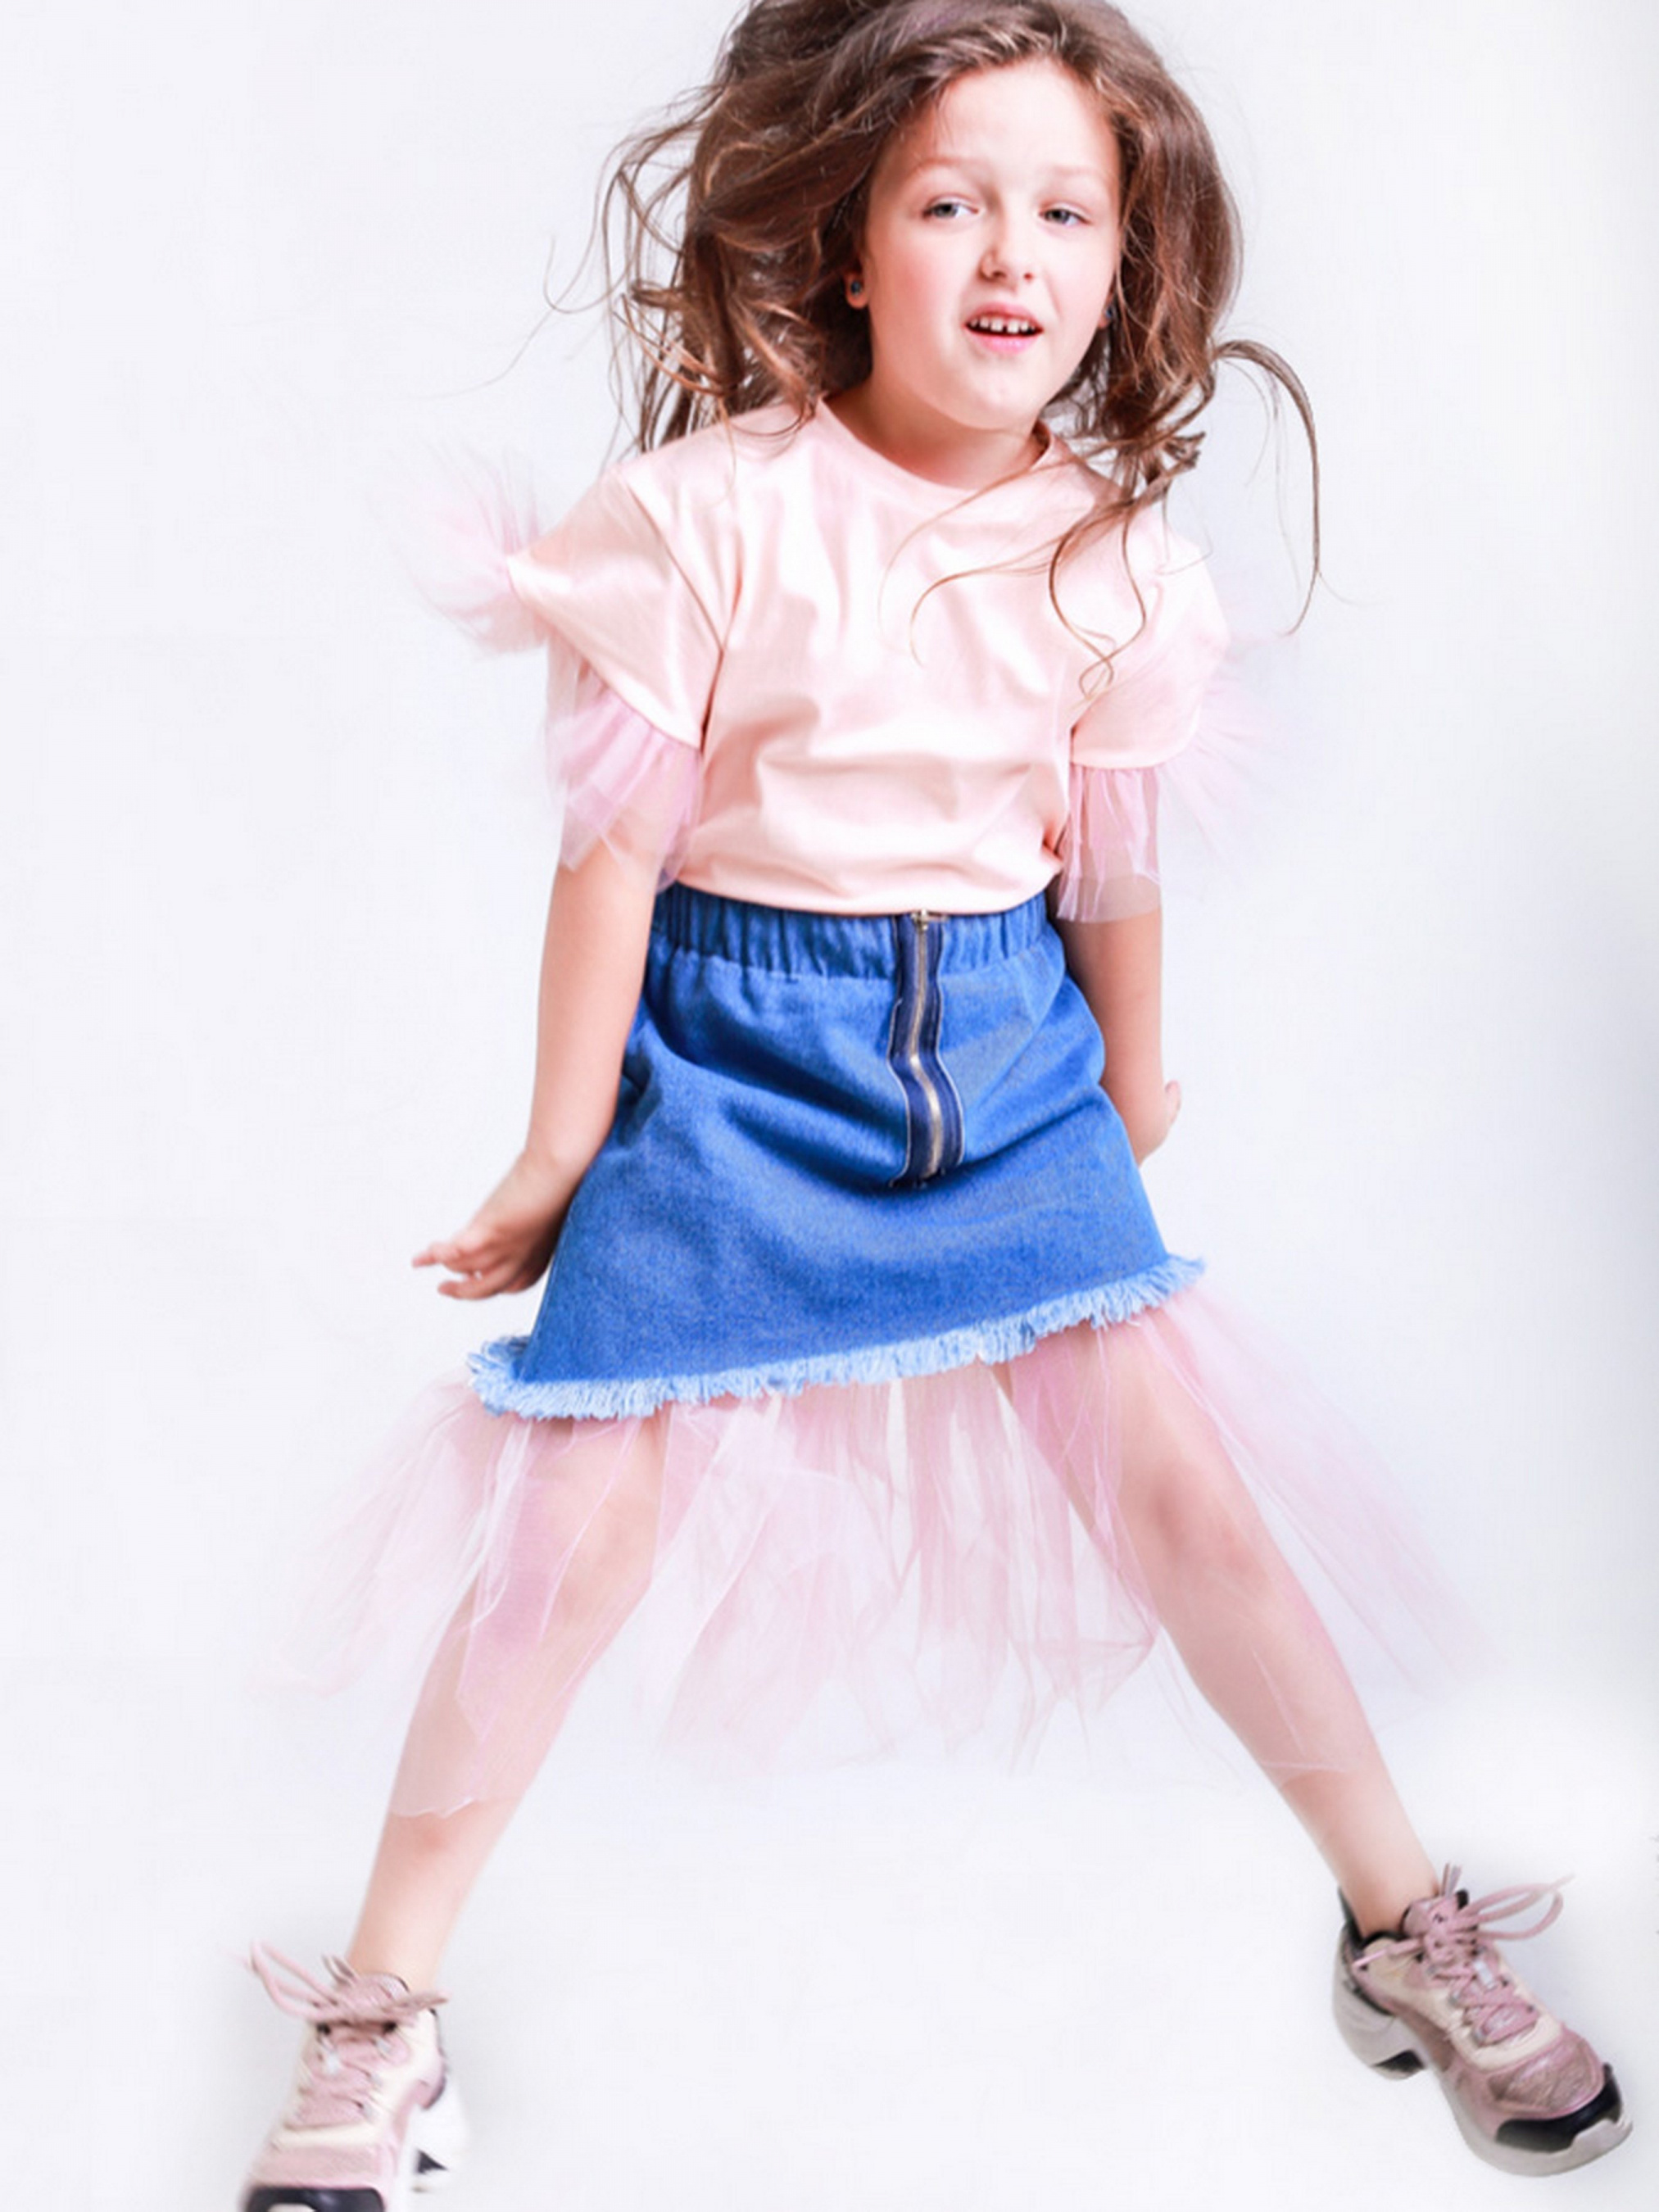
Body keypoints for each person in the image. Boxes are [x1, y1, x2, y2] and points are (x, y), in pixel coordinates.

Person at [239, 2, 1631, 2205]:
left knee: (1189, 1498)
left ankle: (1400, 1923)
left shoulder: (1114, 557)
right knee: (565, 1543)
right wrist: (561, 1141)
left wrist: (1133, 1074)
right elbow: (612, 855)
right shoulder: (707, 516)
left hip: (1004, 1065)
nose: (1012, 254)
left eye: (1064, 212)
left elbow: (1113, 865)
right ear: (848, 242)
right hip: (734, 1064)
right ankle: (385, 2004)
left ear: (1126, 258)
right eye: (952, 202)